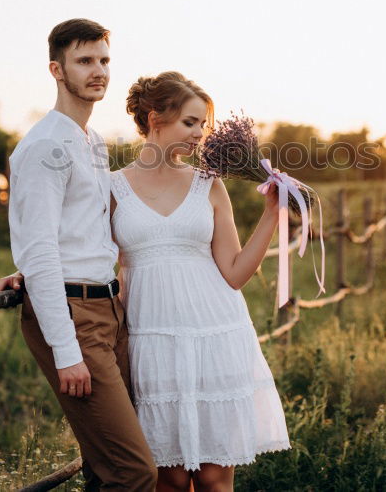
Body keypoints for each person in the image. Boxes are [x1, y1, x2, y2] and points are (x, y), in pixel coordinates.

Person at [0, 18, 157, 491]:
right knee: (134, 473)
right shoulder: (45, 146)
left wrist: (29, 265)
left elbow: (75, 232)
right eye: (85, 61)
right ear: (56, 69)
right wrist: (67, 353)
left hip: (107, 307)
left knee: (105, 467)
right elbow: (42, 247)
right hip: (73, 317)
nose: (98, 70)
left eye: (104, 60)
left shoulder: (93, 142)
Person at [111, 71, 291, 492]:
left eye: (203, 125)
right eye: (190, 123)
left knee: (213, 477)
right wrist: (26, 272)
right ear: (155, 118)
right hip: (151, 340)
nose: (200, 135)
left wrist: (271, 213)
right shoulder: (111, 188)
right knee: (168, 478)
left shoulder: (209, 185)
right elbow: (83, 253)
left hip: (215, 334)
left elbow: (233, 273)